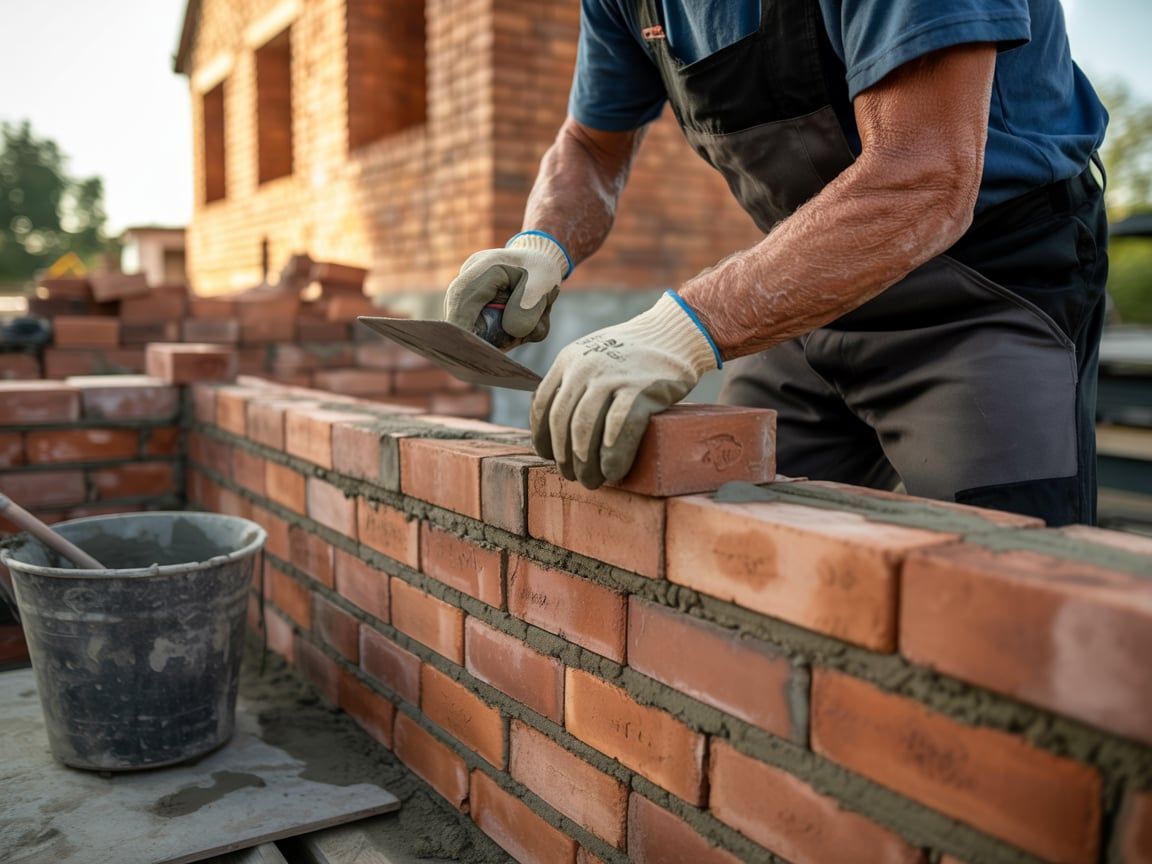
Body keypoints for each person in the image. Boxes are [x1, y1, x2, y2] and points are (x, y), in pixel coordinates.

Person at [444, 0, 1109, 526]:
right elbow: (589, 146)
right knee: (727, 532)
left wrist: (681, 330)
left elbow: (925, 175)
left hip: (986, 290)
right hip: (807, 296)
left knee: (995, 591)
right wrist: (541, 245)